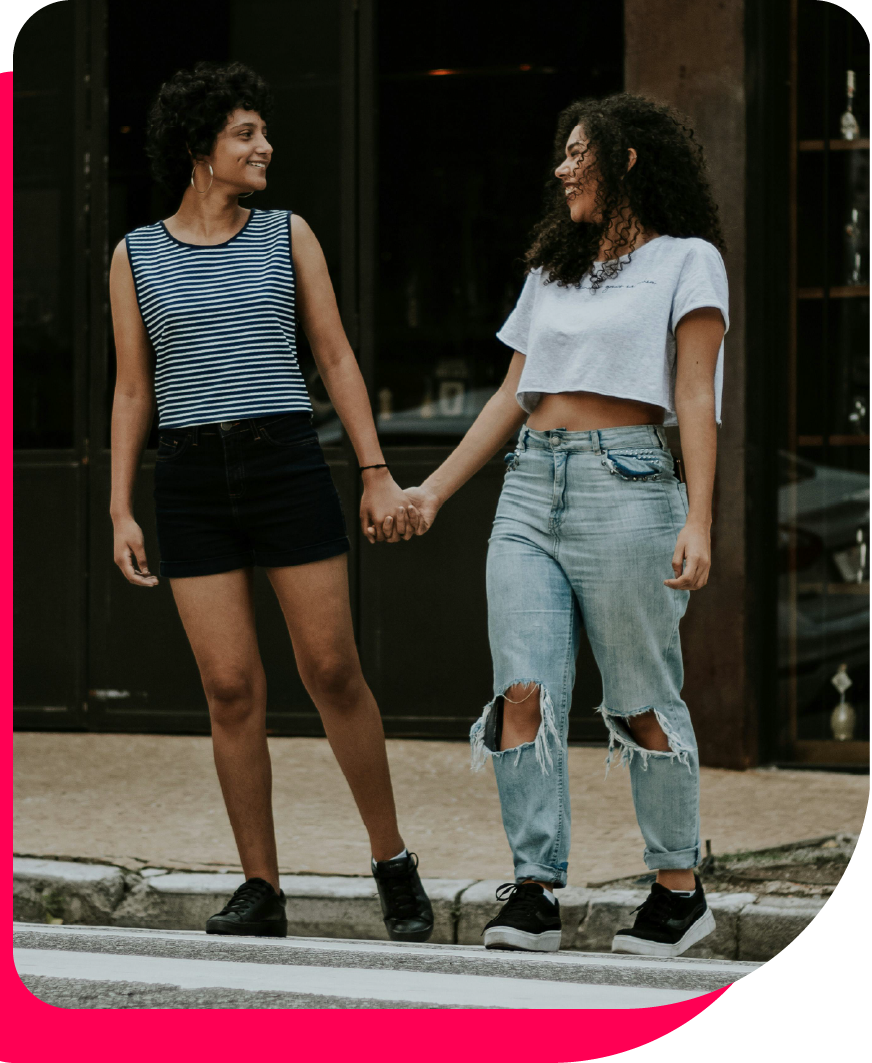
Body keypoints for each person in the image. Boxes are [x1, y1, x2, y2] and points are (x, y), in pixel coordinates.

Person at [394, 93, 728, 957]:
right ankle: (535, 888)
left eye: (579, 153)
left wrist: (699, 516)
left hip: (630, 487)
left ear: (625, 159)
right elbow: (514, 391)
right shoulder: (553, 267)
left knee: (640, 697)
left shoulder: (688, 260)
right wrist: (434, 490)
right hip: (530, 487)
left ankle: (678, 888)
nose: (562, 168)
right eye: (562, 153)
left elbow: (695, 394)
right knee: (523, 691)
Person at [108, 61, 432, 942]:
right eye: (245, 134)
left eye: (263, 132)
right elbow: (133, 389)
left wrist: (373, 469)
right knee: (228, 687)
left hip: (285, 462)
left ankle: (392, 860)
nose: (265, 147)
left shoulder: (288, 234)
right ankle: (262, 886)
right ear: (199, 147)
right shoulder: (134, 255)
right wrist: (120, 508)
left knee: (331, 669)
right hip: (189, 478)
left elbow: (335, 356)